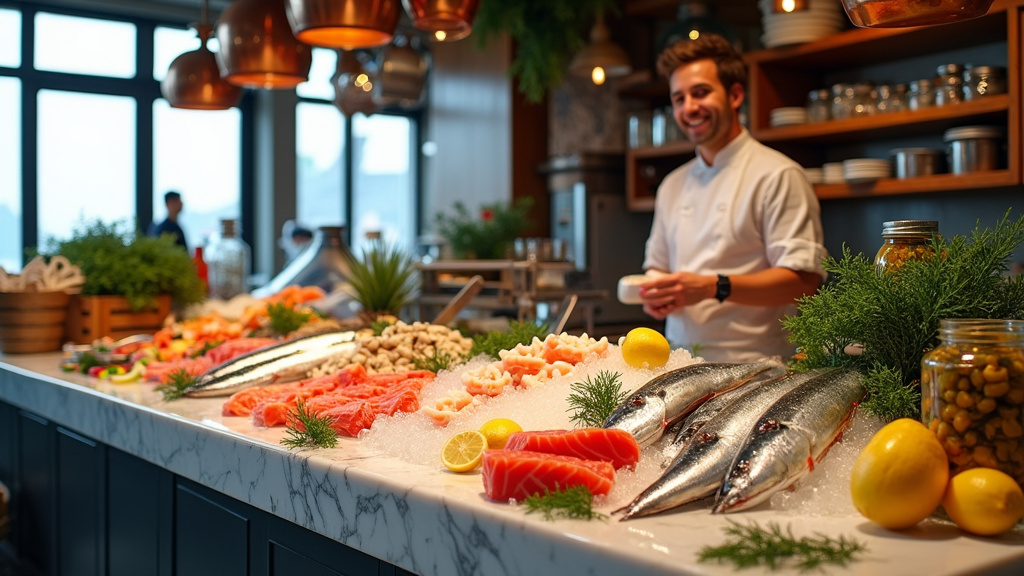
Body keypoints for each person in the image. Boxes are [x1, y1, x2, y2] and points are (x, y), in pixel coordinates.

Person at [638, 34, 827, 363]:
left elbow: (804, 281)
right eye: (679, 98)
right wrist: (656, 293)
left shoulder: (778, 175)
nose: (689, 108)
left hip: (760, 367)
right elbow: (657, 266)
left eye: (700, 93)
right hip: (678, 361)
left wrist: (713, 286)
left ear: (735, 94)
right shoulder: (672, 184)